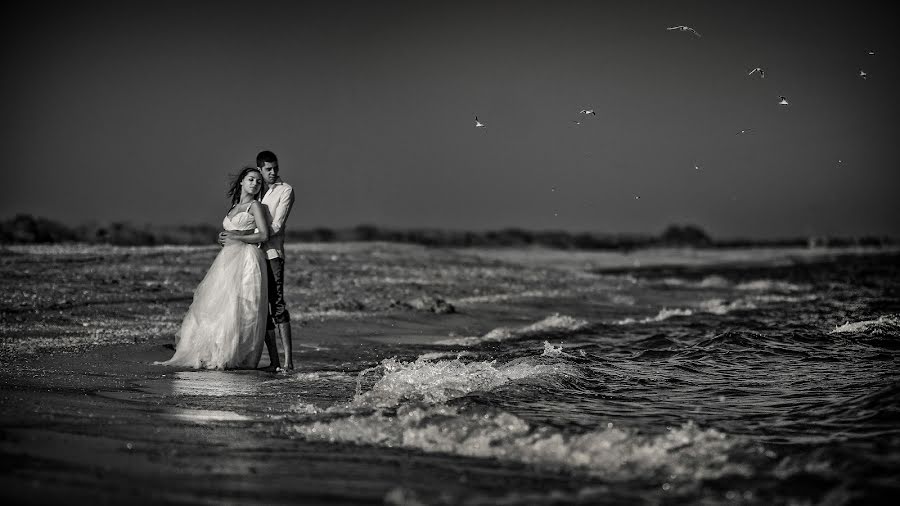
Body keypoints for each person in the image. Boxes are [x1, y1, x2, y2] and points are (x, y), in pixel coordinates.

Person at [155, 167, 270, 370]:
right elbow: (232, 230)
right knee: (217, 303)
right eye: (251, 179)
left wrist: (236, 237)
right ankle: (212, 350)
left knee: (242, 305)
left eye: (259, 182)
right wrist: (224, 237)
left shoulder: (255, 206)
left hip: (247, 259)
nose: (255, 184)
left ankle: (234, 353)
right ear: (242, 181)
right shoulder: (235, 205)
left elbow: (263, 235)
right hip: (227, 258)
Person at [220, 150, 295, 371]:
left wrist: (243, 235)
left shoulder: (285, 190)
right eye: (268, 169)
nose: (273, 172)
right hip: (251, 259)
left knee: (277, 304)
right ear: (260, 169)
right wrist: (231, 235)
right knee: (260, 307)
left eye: (275, 168)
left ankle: (289, 362)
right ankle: (273, 361)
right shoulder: (258, 191)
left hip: (271, 254)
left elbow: (275, 226)